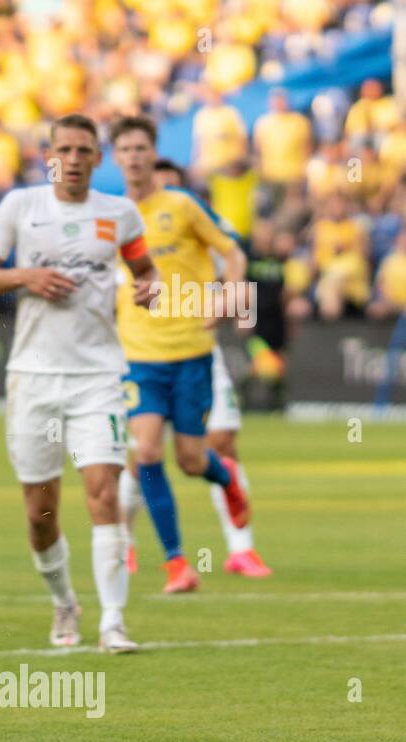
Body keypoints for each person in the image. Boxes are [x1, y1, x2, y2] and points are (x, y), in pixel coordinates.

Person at [0, 113, 158, 653]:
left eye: (84, 150)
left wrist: (151, 288)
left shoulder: (119, 214)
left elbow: (145, 272)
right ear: (48, 155)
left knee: (104, 493)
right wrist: (27, 276)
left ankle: (114, 622)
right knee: (41, 513)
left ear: (99, 158)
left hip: (99, 375)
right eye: (64, 149)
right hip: (33, 377)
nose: (73, 159)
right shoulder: (20, 208)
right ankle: (64, 601)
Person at [109, 115, 251, 594]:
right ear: (116, 157)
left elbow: (233, 253)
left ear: (153, 152)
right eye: (124, 149)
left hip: (191, 350)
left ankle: (225, 476)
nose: (132, 156)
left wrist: (230, 296)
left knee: (192, 460)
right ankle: (177, 563)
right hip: (139, 355)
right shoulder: (107, 215)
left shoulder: (183, 206)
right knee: (146, 451)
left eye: (140, 148)